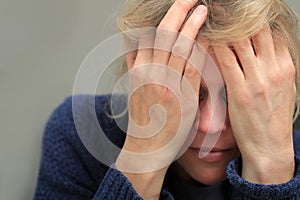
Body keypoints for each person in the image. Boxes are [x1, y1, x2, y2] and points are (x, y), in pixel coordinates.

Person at [34, 0, 300, 199]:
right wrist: (143, 158)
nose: (211, 126)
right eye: (191, 93)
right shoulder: (83, 133)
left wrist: (272, 168)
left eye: (235, 96)